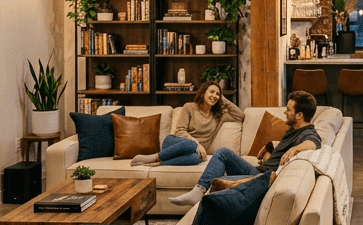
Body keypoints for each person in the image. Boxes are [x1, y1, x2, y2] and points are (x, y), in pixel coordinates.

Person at [169, 90, 320, 205]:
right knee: (221, 163)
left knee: (222, 154)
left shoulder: (307, 133)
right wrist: (270, 146)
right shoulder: (294, 129)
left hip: (260, 178)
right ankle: (199, 192)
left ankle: (198, 192)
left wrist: (295, 149)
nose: (285, 112)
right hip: (259, 170)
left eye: (288, 109)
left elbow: (314, 143)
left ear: (299, 115)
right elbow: (284, 145)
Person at [131, 83, 243, 167]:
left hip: (194, 153)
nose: (214, 95)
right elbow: (179, 131)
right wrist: (196, 144)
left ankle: (161, 162)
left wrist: (224, 100)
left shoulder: (219, 116)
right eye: (211, 92)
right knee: (191, 145)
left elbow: (240, 116)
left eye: (218, 94)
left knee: (195, 159)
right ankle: (154, 157)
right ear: (203, 93)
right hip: (174, 144)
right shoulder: (189, 107)